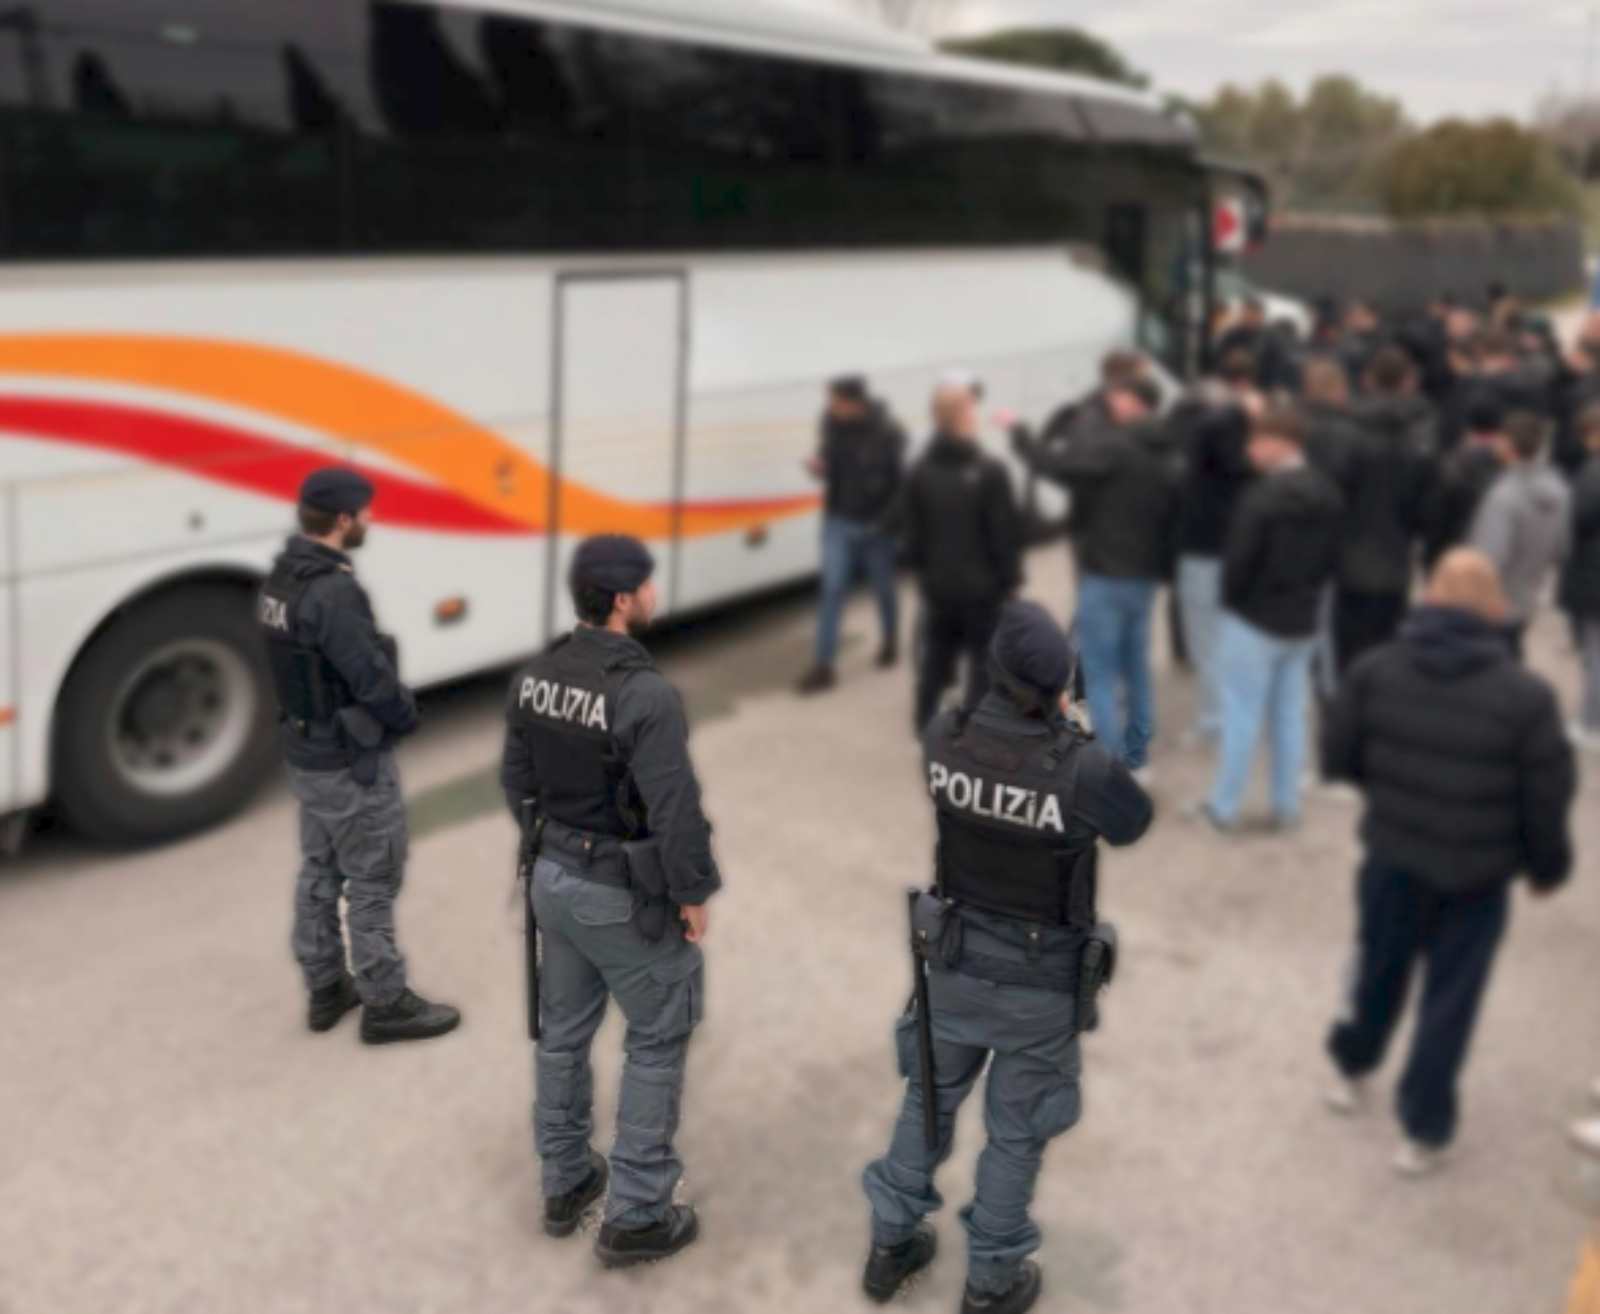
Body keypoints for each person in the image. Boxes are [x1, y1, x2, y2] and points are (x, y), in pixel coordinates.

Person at [860, 602, 1153, 1314]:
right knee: (1016, 1135)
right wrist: (1073, 729)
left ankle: (890, 1245)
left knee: (928, 1102)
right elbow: (1134, 821)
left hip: (952, 965)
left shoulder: (944, 736)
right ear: (1058, 686)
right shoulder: (1082, 767)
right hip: (1040, 986)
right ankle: (991, 1282)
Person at [501, 534, 720, 1266]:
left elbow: (516, 780)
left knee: (562, 1033)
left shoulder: (536, 676)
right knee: (657, 1034)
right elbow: (674, 807)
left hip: (551, 878)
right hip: (617, 891)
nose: (654, 593)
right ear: (624, 599)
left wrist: (554, 845)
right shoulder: (644, 694)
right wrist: (692, 891)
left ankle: (564, 1180)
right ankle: (637, 1213)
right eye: (647, 584)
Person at [1321, 549, 1575, 1176]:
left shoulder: (1375, 669)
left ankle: (1352, 1065)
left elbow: (1338, 755)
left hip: (1392, 856)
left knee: (1377, 967)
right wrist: (1546, 870)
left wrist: (1387, 795)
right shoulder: (1528, 698)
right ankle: (1423, 1126)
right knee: (1450, 999)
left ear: (1429, 595)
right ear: (1495, 609)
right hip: (1478, 878)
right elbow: (1546, 798)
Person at [259, 468, 461, 1043]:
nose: (371, 519)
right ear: (343, 519)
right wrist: (405, 715)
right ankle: (385, 1003)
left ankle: (326, 989)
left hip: (307, 754)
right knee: (372, 875)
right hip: (349, 760)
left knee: (319, 869)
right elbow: (369, 676)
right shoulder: (334, 591)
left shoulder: (281, 578)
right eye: (366, 512)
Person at [1014, 377, 1179, 777]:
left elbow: (1062, 467)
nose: (1112, 401)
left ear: (1137, 403)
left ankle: (1110, 767)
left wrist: (1021, 439)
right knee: (1136, 671)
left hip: (1106, 575)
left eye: (1120, 395)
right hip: (1143, 577)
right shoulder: (1165, 449)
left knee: (1100, 674)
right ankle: (1137, 761)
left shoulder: (1118, 448)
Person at [1195, 406, 1343, 832]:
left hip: (1254, 619)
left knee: (1241, 714)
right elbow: (1333, 556)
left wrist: (1232, 601)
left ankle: (1224, 806)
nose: (1250, 449)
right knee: (1289, 715)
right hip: (1302, 616)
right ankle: (1286, 805)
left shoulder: (1260, 497)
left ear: (1281, 443)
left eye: (1257, 441)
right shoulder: (1328, 493)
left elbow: (1239, 560)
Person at [901, 377, 1025, 733]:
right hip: (982, 589)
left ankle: (924, 724)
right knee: (982, 662)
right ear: (961, 416)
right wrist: (1011, 581)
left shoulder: (920, 471)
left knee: (936, 657)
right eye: (972, 409)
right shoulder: (989, 470)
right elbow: (1004, 534)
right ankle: (973, 728)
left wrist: (923, 575)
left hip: (938, 587)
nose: (976, 415)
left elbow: (912, 534)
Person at [797, 376, 908, 694]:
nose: (831, 407)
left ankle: (890, 640)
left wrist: (887, 523)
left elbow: (901, 485)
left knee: (883, 589)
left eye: (836, 402)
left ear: (854, 403)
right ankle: (824, 666)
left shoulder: (888, 432)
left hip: (877, 527)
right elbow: (829, 463)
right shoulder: (831, 424)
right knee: (831, 590)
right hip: (838, 523)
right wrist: (818, 468)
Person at [1174, 350, 1262, 746]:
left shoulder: (1207, 425)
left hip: (1204, 545)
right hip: (1243, 545)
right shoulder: (1259, 428)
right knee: (1238, 636)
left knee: (1206, 639)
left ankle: (1215, 720)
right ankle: (1240, 713)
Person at [1335, 346, 1437, 672]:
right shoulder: (1421, 435)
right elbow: (1428, 502)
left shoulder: (1346, 428)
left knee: (1347, 647)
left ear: (1368, 380)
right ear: (1407, 381)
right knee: (1388, 643)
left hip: (1347, 554)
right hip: (1396, 554)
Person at [1469, 411, 1570, 658]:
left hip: (1493, 602)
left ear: (1507, 444)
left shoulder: (1504, 496)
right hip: (1528, 594)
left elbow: (1490, 557)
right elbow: (1561, 547)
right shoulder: (1559, 491)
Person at [1419, 400, 1509, 571]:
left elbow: (1435, 518)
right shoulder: (1507, 468)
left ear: (1468, 427)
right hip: (1491, 562)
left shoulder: (1450, 463)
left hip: (1453, 558)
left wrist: (1430, 560)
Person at [1562, 405, 1600, 748]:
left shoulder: (1592, 473)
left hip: (1592, 573)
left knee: (1594, 651)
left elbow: (1576, 520)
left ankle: (1591, 721)